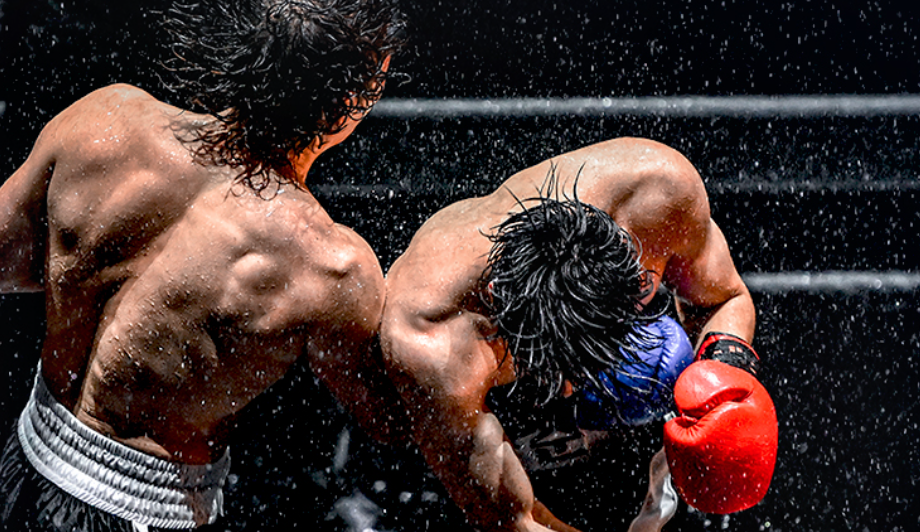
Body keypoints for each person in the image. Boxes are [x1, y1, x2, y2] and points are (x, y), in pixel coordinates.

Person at [0, 0, 404, 530]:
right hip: (147, 511)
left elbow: (9, 259)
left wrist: (91, 269)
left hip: (25, 459)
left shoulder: (104, 119)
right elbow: (389, 418)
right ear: (359, 98)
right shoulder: (329, 266)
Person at [376, 138, 778, 532]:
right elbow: (515, 519)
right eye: (560, 365)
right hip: (496, 429)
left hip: (628, 436)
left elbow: (723, 298)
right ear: (499, 310)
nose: (571, 389)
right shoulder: (432, 341)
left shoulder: (655, 194)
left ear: (636, 272)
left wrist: (723, 374)